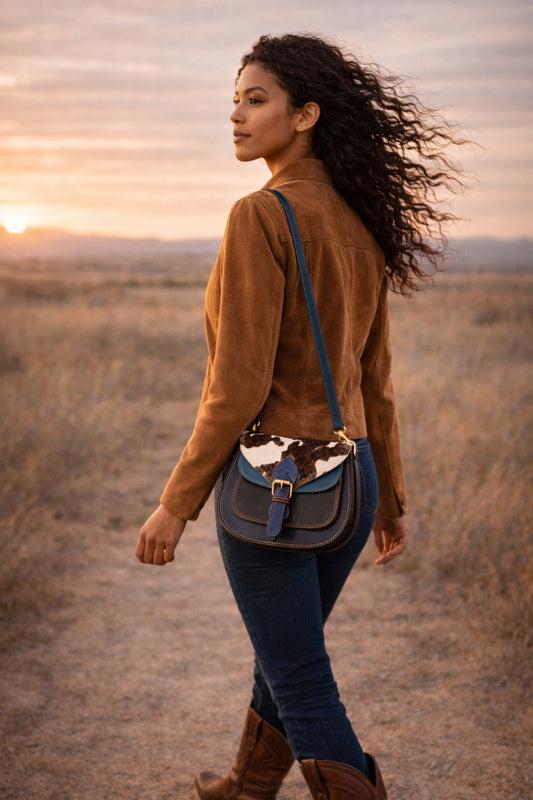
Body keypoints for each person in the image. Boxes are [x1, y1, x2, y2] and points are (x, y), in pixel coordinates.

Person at [135, 33, 465, 800]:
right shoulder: (355, 221)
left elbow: (235, 389)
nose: (236, 116)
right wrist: (389, 499)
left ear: (306, 113)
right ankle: (246, 789)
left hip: (278, 487)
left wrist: (173, 504)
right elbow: (374, 382)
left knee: (302, 678)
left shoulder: (261, 215)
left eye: (256, 100)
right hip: (349, 482)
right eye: (234, 100)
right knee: (284, 652)